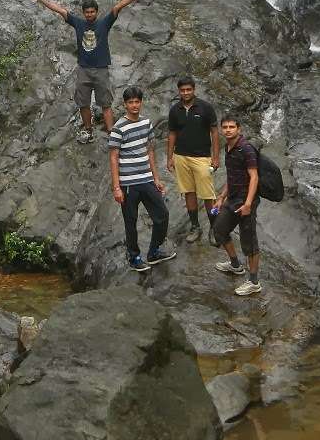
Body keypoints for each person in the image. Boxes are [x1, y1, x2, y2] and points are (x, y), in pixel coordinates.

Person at [30, 0, 143, 143]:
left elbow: (118, 6)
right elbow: (59, 10)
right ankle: (88, 130)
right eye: (87, 12)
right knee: (83, 102)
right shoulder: (78, 23)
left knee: (105, 103)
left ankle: (112, 133)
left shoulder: (104, 23)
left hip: (101, 69)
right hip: (83, 69)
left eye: (92, 12)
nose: (89, 14)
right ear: (83, 13)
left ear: (96, 12)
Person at [108, 85, 175, 272]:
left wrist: (156, 178)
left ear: (142, 102)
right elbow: (113, 157)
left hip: (146, 179)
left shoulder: (146, 123)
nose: (134, 105)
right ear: (125, 104)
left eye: (137, 101)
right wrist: (116, 187)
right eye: (131, 102)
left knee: (162, 215)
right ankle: (134, 256)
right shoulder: (118, 128)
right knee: (131, 222)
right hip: (128, 183)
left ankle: (154, 251)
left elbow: (150, 150)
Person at [212, 114, 262, 296]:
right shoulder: (228, 147)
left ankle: (254, 282)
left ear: (238, 129)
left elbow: (254, 176)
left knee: (249, 242)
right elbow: (231, 175)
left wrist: (248, 204)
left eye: (231, 127)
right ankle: (235, 265)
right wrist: (221, 196)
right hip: (232, 198)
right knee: (219, 229)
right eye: (224, 127)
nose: (227, 130)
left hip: (245, 201)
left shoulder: (246, 149)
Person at [165, 76, 219, 243]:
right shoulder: (175, 110)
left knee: (209, 196)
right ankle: (195, 226)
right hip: (181, 157)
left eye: (189, 90)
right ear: (179, 91)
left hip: (202, 157)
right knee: (189, 192)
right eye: (183, 90)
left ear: (194, 89)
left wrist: (215, 157)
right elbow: (172, 133)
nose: (186, 93)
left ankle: (215, 228)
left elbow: (215, 132)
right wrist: (170, 157)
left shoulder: (205, 108)